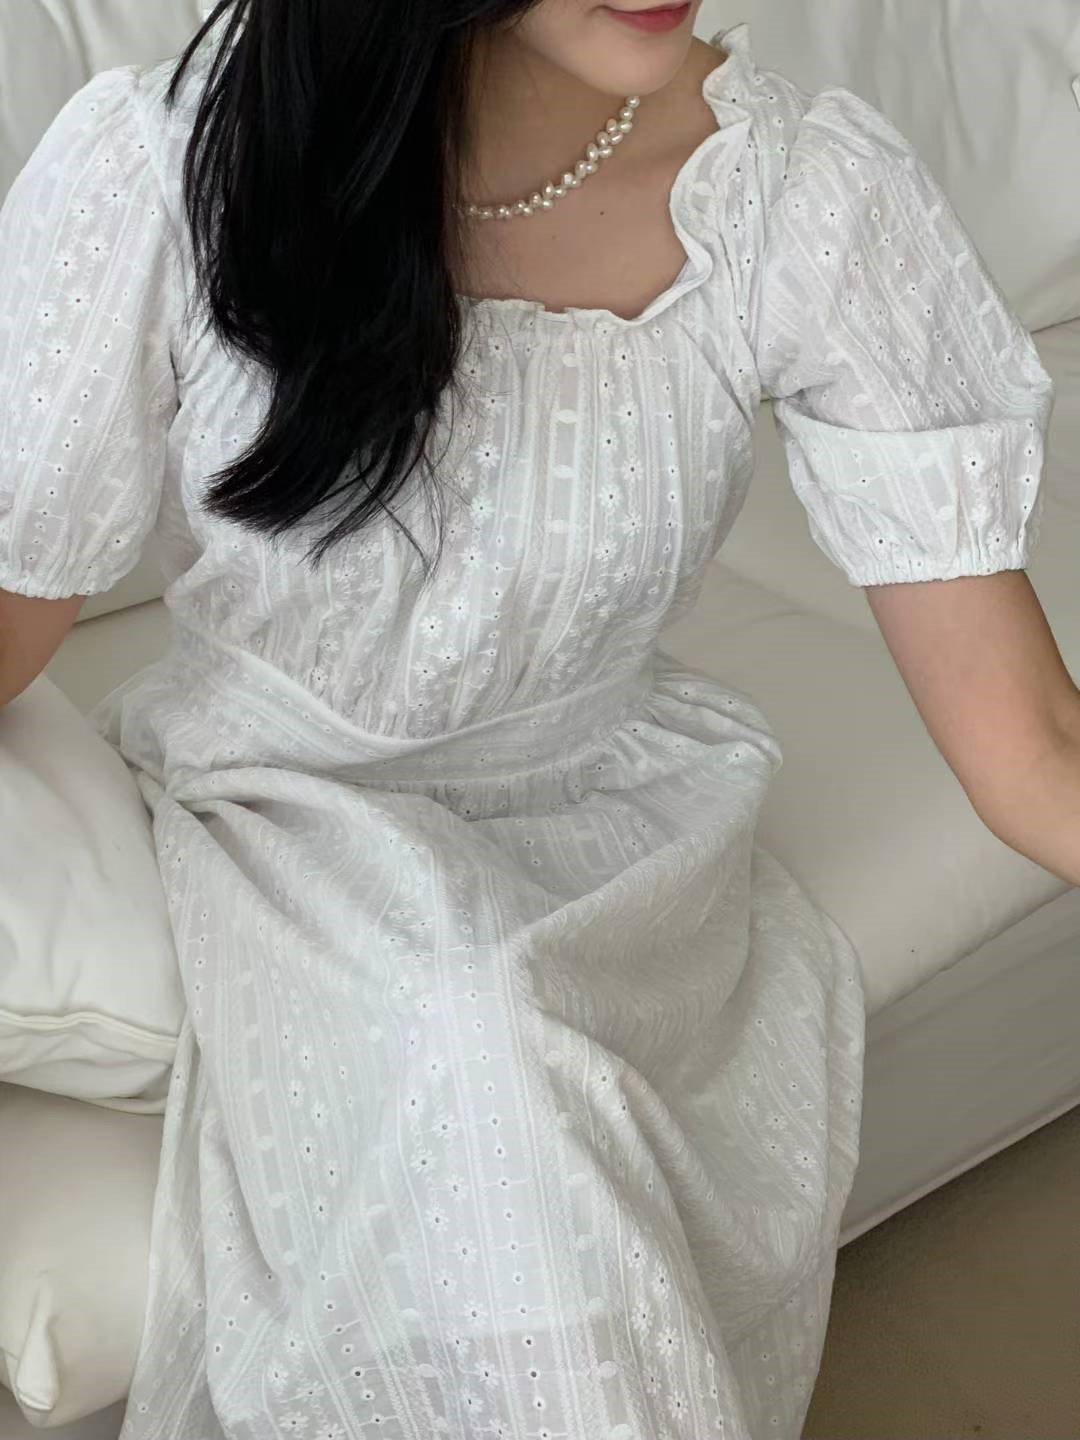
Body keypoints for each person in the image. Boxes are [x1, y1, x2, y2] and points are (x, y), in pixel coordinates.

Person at [0, 0, 1059, 1435]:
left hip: (612, 810)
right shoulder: (161, 172)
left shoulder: (801, 192)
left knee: (502, 1044)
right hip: (282, 806)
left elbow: (1028, 747)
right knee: (480, 1031)